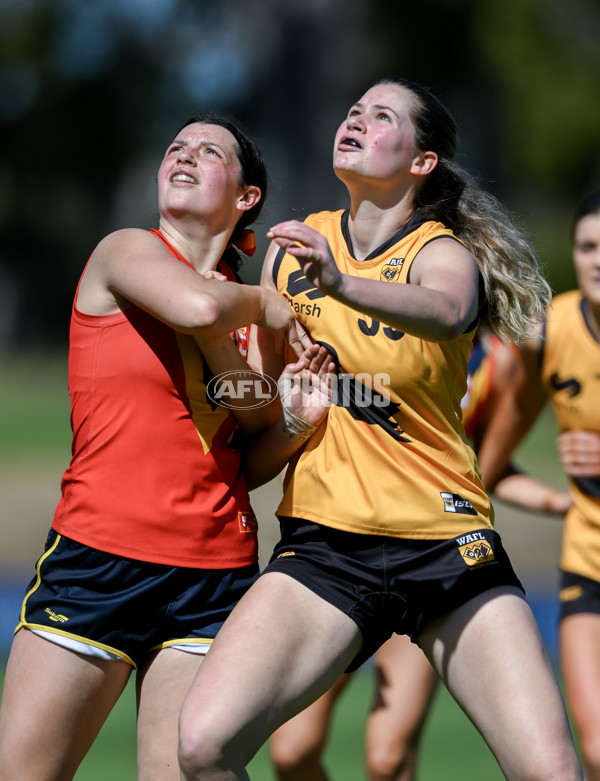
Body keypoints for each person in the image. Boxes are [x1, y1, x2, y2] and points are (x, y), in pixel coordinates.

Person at [177, 78, 585, 781]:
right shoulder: (294, 249)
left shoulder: (440, 251)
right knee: (204, 745)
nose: (355, 120)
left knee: (552, 771)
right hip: (326, 550)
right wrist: (241, 385)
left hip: (446, 545)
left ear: (422, 161)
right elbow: (262, 405)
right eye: (354, 110)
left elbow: (446, 309)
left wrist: (342, 283)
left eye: (382, 115)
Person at [0, 113, 332, 781]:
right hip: (97, 562)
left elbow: (247, 457)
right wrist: (271, 305)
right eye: (176, 147)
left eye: (209, 152)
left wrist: (294, 425)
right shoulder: (126, 251)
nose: (183, 155)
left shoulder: (247, 320)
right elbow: (200, 309)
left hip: (212, 576)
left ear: (247, 198)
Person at [269, 330, 572, 781]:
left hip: (433, 557)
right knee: (293, 751)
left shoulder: (502, 361)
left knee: (388, 757)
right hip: (341, 553)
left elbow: (488, 468)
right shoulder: (340, 320)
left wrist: (564, 502)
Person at [478, 190, 600, 781]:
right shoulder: (550, 336)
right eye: (586, 246)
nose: (597, 260)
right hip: (587, 562)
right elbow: (491, 469)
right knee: (594, 750)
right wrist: (564, 501)